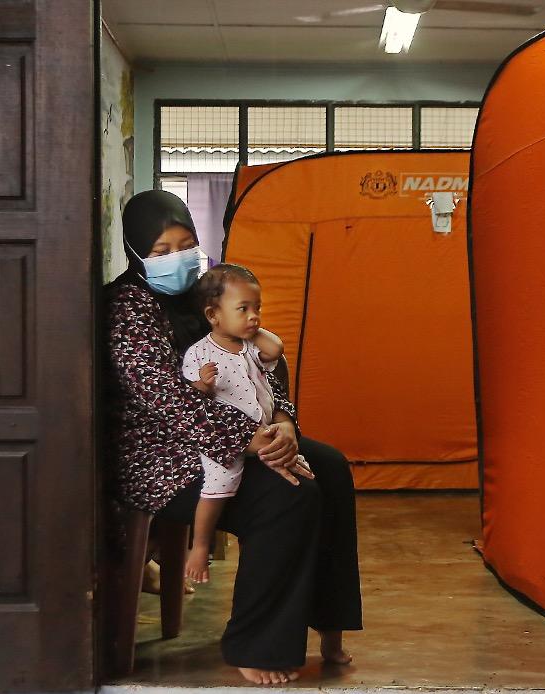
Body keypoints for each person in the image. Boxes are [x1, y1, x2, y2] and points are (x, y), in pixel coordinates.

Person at [104, 190, 362, 685]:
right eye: (161, 251)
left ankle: (329, 624)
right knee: (287, 493)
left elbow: (268, 366)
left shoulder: (207, 295)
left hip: (235, 435)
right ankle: (256, 643)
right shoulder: (128, 309)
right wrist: (254, 440)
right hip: (162, 457)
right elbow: (164, 400)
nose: (177, 258)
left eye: (187, 244)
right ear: (136, 253)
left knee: (328, 468)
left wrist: (284, 423)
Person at [181, 263, 312, 584]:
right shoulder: (199, 353)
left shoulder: (251, 347)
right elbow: (187, 398)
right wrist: (202, 385)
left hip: (265, 432)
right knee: (220, 485)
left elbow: (276, 350)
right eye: (243, 309)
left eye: (258, 308)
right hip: (228, 441)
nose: (254, 316)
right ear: (213, 315)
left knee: (300, 470)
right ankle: (200, 545)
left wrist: (250, 324)